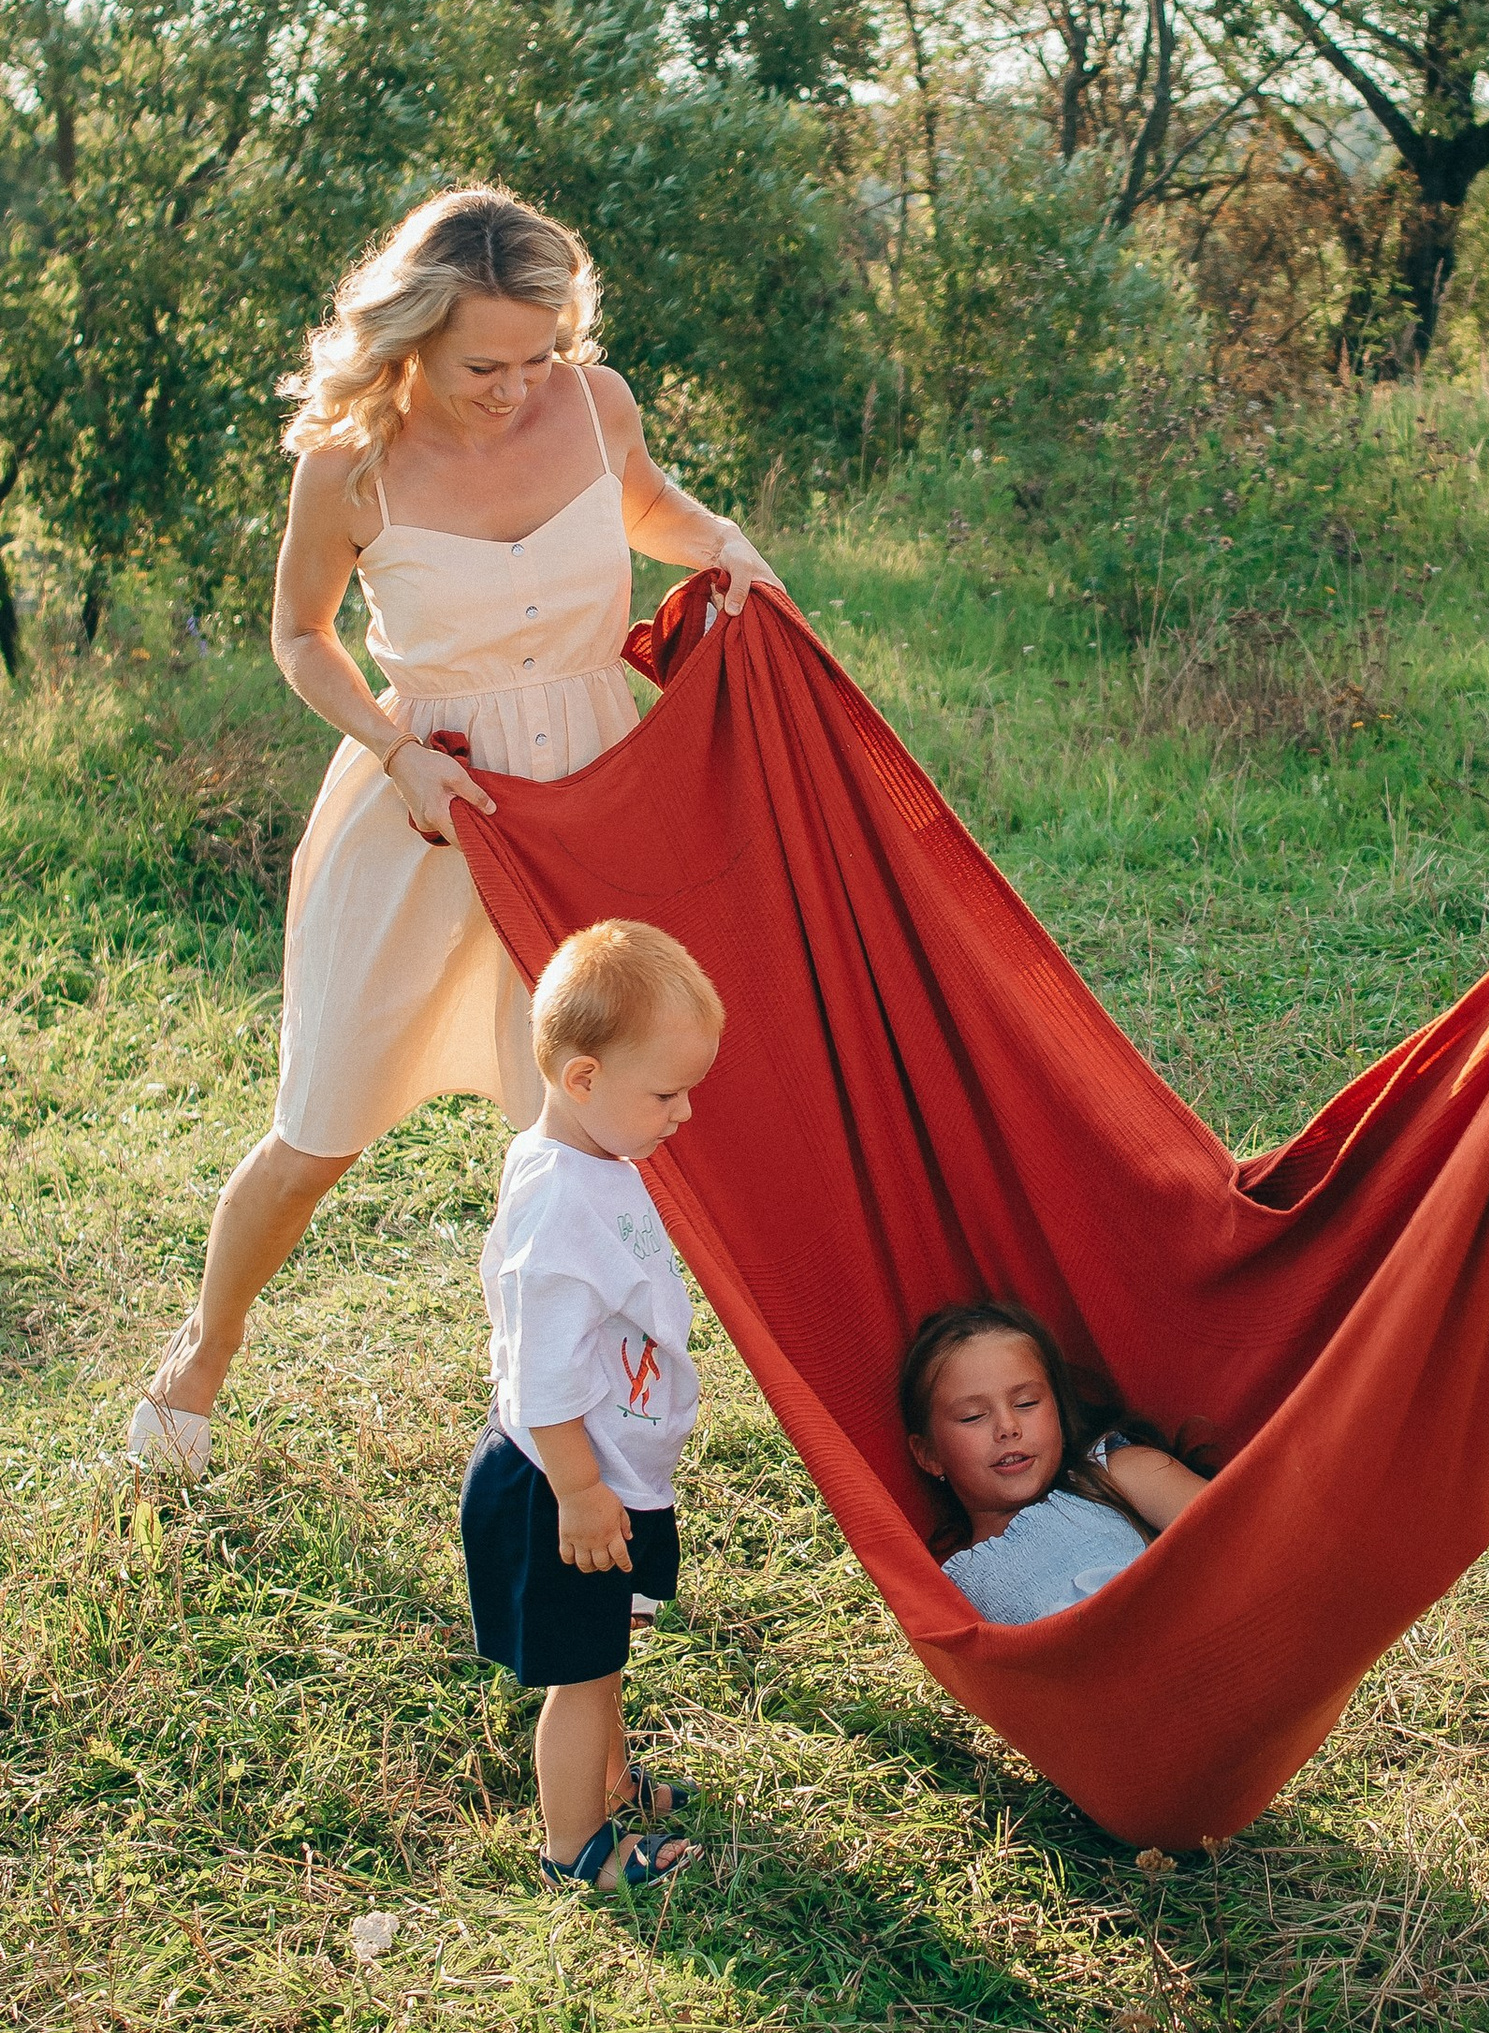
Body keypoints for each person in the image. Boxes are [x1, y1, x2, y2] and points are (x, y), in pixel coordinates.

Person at [128, 187, 784, 1480]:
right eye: (488, 362)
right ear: (413, 339)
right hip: (431, 810)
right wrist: (395, 747)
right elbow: (299, 636)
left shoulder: (594, 404)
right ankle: (199, 1360)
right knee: (317, 1132)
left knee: (588, 1133)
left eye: (540, 353)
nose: (518, 386)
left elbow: (648, 506)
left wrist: (723, 546)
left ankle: (563, 1434)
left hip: (596, 802)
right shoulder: (351, 459)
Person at [463, 918, 722, 1894]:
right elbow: (540, 1374)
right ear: (582, 1079)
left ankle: (609, 1780)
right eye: (665, 1092)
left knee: (609, 1651)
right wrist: (577, 1490)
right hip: (561, 1485)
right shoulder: (559, 1205)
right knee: (584, 1674)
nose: (684, 1112)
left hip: (611, 1473)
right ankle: (576, 1846)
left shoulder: (597, 1158)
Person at [900, 1302, 1212, 1623]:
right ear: (929, 1455)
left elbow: (1241, 1537)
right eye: (973, 1416)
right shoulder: (954, 1595)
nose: (1008, 1428)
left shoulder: (1118, 1474)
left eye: (1026, 1403)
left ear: (1059, 1413)